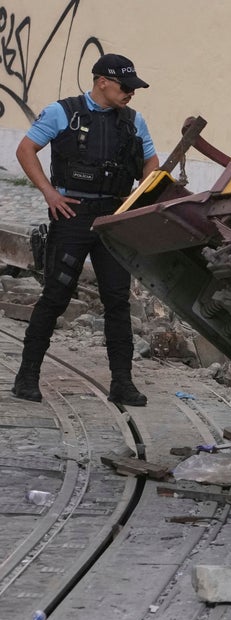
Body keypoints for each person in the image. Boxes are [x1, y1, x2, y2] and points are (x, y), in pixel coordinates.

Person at [11, 53, 159, 406]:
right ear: (101, 82)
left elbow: (151, 160)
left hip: (113, 218)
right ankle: (26, 377)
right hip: (73, 215)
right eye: (125, 87)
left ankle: (122, 383)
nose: (130, 93)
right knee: (55, 296)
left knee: (117, 301)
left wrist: (142, 193)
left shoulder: (134, 120)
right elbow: (26, 149)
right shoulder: (63, 112)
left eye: (134, 88)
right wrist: (49, 193)